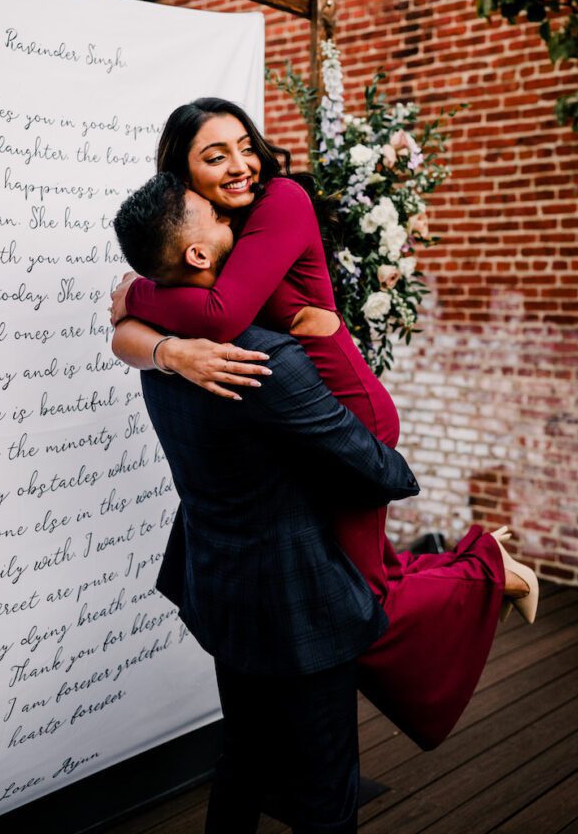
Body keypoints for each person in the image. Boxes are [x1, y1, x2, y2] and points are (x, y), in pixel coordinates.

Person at [111, 98, 538, 751]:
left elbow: (220, 316)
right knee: (355, 574)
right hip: (289, 410)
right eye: (214, 155)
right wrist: (168, 348)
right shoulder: (205, 231)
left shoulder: (279, 201)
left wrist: (133, 293)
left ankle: (489, 569)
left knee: (362, 592)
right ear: (183, 174)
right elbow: (128, 339)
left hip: (340, 403)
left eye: (243, 144)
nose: (239, 163)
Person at [122, 173, 423, 833]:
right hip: (297, 602)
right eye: (213, 213)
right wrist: (394, 462)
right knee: (325, 791)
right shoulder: (265, 359)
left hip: (221, 585)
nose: (232, 215)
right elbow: (372, 466)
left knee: (242, 757)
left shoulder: (158, 352)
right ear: (199, 256)